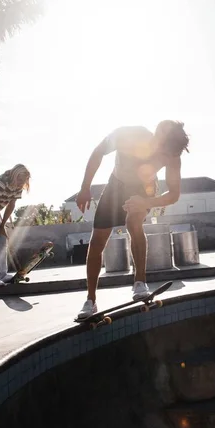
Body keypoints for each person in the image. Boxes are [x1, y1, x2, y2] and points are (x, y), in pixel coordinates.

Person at [75, 120, 189, 319]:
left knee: (133, 223)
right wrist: (85, 187)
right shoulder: (126, 135)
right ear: (158, 134)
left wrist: (146, 202)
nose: (165, 157)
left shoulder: (173, 155)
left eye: (169, 155)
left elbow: (174, 194)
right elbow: (98, 152)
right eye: (164, 151)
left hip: (143, 190)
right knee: (97, 241)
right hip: (115, 186)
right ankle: (90, 300)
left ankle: (139, 282)